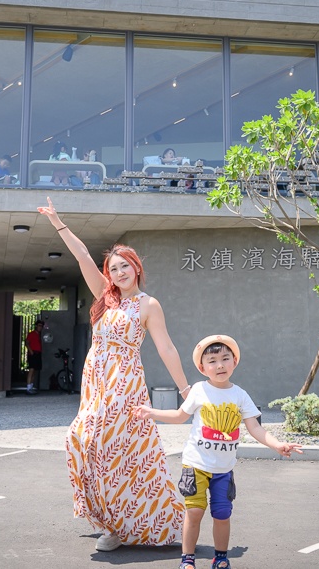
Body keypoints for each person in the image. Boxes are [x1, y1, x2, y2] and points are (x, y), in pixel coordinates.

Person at [37, 197, 190, 551]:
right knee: (82, 442)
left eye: (125, 266)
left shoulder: (148, 305)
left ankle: (124, 526)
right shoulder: (106, 299)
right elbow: (82, 257)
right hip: (96, 382)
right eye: (114, 268)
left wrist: (185, 389)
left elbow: (166, 348)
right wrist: (59, 222)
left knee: (113, 449)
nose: (119, 273)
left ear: (136, 268)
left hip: (125, 381)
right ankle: (112, 522)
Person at [133, 335, 303, 569]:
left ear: (235, 361)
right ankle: (187, 559)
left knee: (222, 514)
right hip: (195, 464)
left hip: (224, 469)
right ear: (203, 368)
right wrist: (152, 412)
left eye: (225, 358)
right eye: (212, 361)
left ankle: (221, 557)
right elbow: (180, 416)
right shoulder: (199, 390)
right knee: (194, 512)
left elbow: (255, 427)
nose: (220, 365)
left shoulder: (240, 395)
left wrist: (277, 445)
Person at [24, 319, 44, 395]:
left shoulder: (38, 335)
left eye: (41, 326)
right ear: (36, 326)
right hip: (33, 354)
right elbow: (27, 342)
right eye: (39, 326)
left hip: (38, 353)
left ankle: (31, 387)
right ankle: (28, 388)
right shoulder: (31, 334)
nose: (40, 327)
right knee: (31, 370)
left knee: (35, 371)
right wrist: (31, 351)